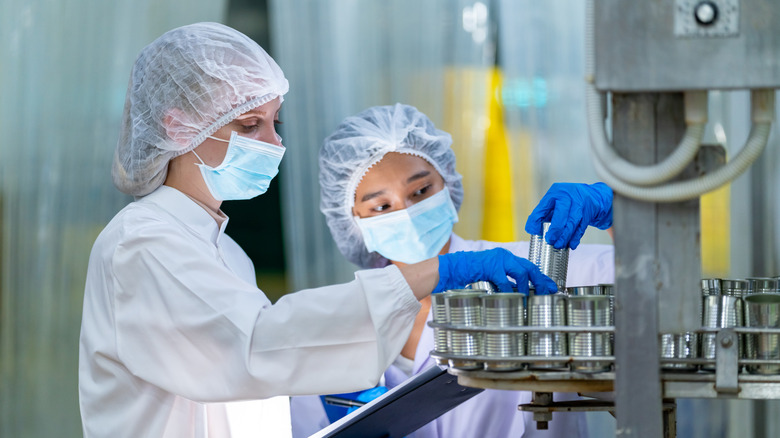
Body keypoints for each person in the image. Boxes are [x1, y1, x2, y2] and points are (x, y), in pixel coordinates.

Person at [77, 24, 559, 438]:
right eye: (249, 125)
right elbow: (255, 348)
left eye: (274, 122)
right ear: (178, 127)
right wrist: (430, 274)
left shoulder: (224, 251)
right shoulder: (142, 242)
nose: (274, 143)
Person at [290, 103, 615, 437]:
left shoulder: (529, 272)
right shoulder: (339, 325)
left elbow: (654, 275)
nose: (408, 213)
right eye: (382, 207)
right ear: (352, 221)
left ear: (446, 183)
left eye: (421, 191)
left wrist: (617, 211)